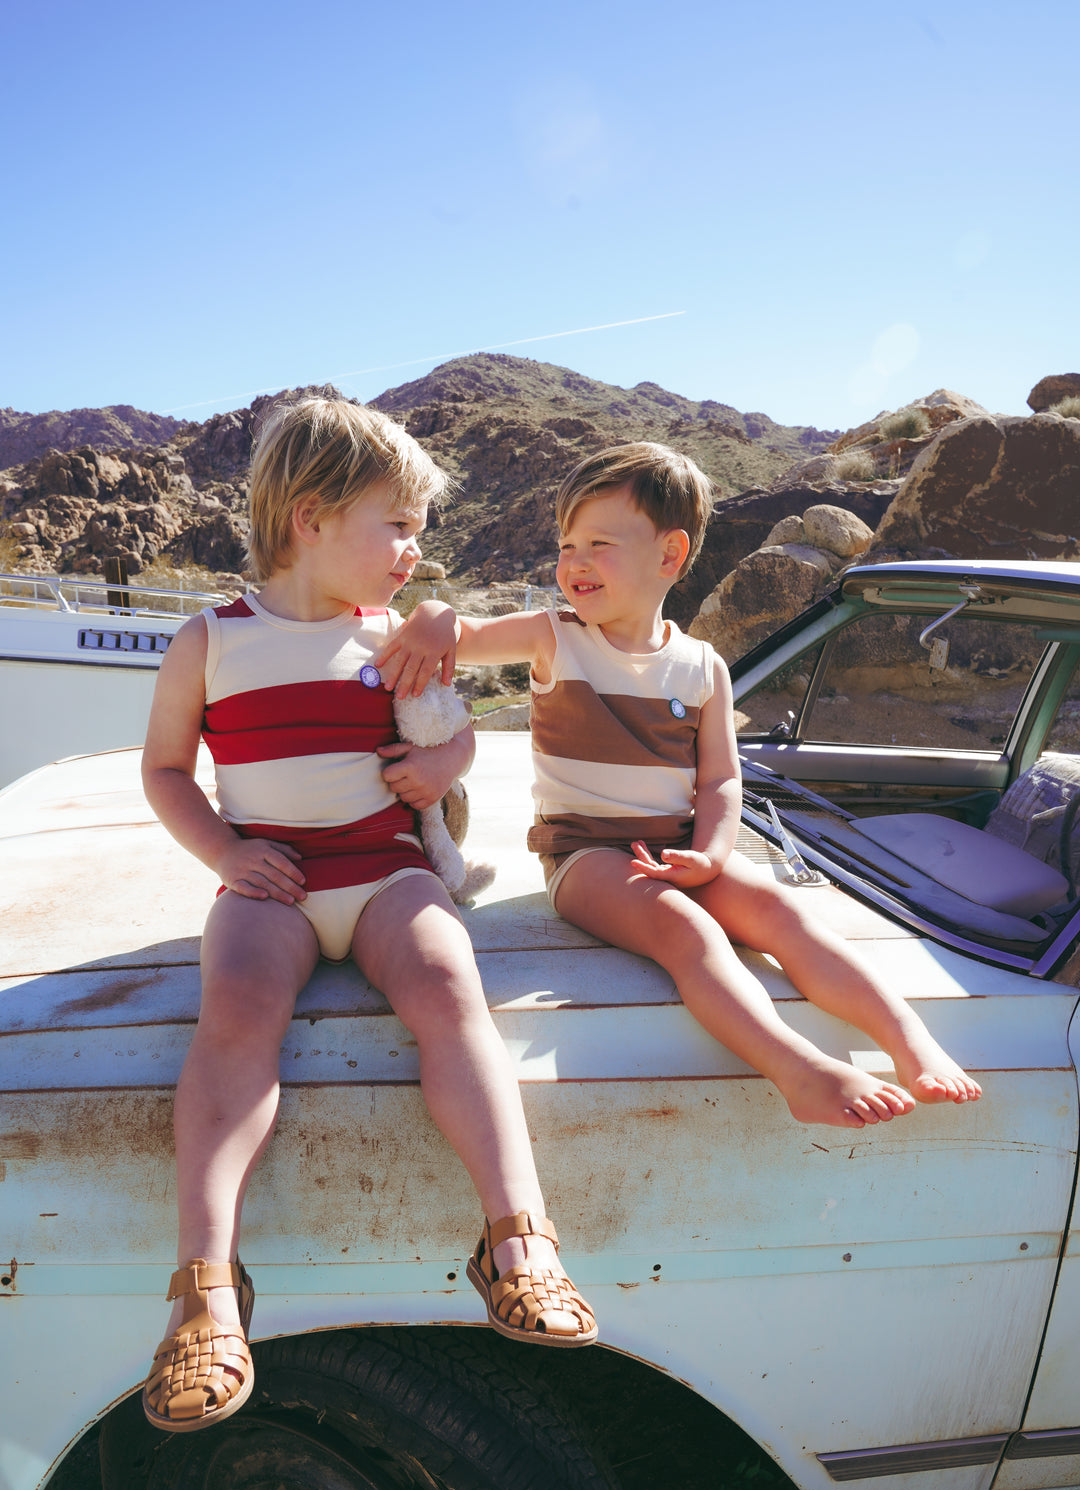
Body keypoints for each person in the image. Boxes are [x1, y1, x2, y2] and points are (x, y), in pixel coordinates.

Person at [140, 397, 597, 1435]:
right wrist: (226, 852)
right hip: (276, 882)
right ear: (310, 518)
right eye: (397, 526)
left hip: (384, 871)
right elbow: (166, 771)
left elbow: (461, 733)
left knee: (448, 983)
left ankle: (519, 1238)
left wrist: (444, 759)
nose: (414, 550)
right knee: (239, 1005)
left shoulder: (390, 639)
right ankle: (206, 1286)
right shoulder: (210, 642)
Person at [379, 440, 982, 1137]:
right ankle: (798, 1070)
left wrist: (713, 853)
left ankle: (911, 1042)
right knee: (684, 928)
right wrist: (435, 616)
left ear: (669, 555)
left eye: (598, 542)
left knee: (784, 915)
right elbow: (468, 636)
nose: (573, 561)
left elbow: (721, 778)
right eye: (566, 543)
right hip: (586, 858)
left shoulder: (702, 667)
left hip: (676, 846)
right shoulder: (555, 638)